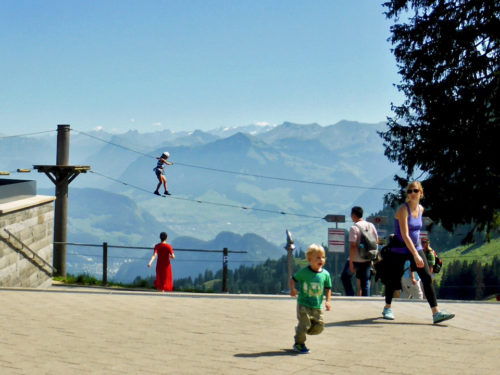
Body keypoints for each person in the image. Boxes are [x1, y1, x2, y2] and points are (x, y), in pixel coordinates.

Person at [382, 181, 454, 324]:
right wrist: (415, 255)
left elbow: (417, 232)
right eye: (410, 191)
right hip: (400, 248)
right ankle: (387, 307)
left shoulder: (420, 209)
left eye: (415, 191)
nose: (412, 194)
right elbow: (405, 235)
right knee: (393, 279)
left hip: (416, 246)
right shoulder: (403, 210)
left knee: (426, 278)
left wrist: (417, 251)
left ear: (421, 193)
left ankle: (436, 313)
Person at [289, 244, 332, 354]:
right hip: (304, 304)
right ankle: (299, 343)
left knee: (319, 327)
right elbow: (293, 279)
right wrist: (293, 289)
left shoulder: (325, 274)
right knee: (304, 324)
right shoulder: (304, 272)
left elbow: (328, 288)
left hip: (317, 305)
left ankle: (300, 330)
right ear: (309, 259)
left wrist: (328, 301)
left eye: (323, 257)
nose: (321, 260)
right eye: (317, 257)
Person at [341, 206, 378, 296]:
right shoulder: (371, 225)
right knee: (365, 282)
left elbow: (353, 246)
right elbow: (376, 241)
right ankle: (366, 301)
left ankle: (350, 295)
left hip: (356, 260)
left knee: (345, 277)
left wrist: (351, 263)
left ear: (353, 215)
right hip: (367, 259)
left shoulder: (354, 228)